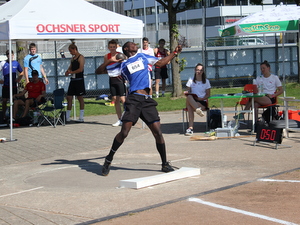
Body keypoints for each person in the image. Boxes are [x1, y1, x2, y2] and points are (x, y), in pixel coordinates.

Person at [96, 41, 182, 176]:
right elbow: (99, 71)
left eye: (136, 44)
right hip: (134, 99)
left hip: (147, 100)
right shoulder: (121, 65)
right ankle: (108, 159)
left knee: (158, 132)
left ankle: (164, 164)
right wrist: (110, 61)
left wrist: (175, 53)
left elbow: (160, 63)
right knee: (124, 133)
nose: (135, 45)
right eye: (132, 44)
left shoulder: (143, 57)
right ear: (126, 48)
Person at [96, 39, 126, 127]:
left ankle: (127, 117)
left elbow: (124, 64)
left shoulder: (120, 55)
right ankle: (119, 119)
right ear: (108, 48)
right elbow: (105, 66)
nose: (112, 48)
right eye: (111, 47)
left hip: (120, 79)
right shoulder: (106, 56)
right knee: (115, 99)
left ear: (116, 47)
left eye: (114, 47)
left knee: (123, 99)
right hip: (112, 79)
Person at [185, 63, 211, 136]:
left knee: (190, 107)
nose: (199, 72)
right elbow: (188, 92)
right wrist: (190, 93)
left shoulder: (206, 81)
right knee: (189, 97)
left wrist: (202, 98)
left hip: (202, 101)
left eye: (201, 70)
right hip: (193, 100)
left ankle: (190, 128)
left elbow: (208, 94)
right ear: (195, 70)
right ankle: (197, 109)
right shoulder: (191, 80)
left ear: (203, 72)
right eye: (197, 70)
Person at [65, 42, 86, 123]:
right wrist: (67, 71)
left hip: (79, 80)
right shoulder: (72, 59)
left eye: (71, 51)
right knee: (69, 97)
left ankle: (81, 116)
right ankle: (67, 116)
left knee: (80, 98)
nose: (71, 53)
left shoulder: (81, 57)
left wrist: (72, 72)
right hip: (73, 80)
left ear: (75, 49)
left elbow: (80, 69)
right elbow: (70, 68)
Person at [0, 50, 23, 121]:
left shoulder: (16, 63)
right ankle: (4, 115)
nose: (10, 56)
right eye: (8, 55)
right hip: (6, 85)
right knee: (4, 100)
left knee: (13, 100)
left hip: (13, 85)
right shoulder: (3, 63)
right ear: (6, 55)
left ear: (13, 55)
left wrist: (19, 78)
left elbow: (22, 72)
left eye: (11, 55)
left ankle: (13, 116)